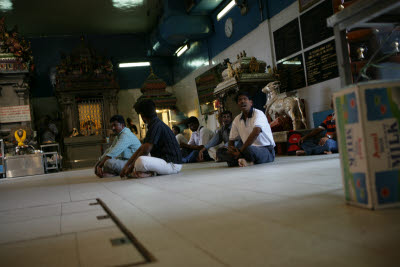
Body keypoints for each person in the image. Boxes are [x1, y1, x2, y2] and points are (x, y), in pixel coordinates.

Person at [120, 100, 182, 178]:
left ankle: (150, 173)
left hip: (172, 164)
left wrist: (129, 168)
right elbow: (141, 148)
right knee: (140, 160)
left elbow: (145, 150)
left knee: (141, 161)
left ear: (142, 116)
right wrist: (127, 166)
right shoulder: (154, 124)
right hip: (166, 162)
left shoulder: (156, 125)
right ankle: (149, 173)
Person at [218, 92, 275, 167]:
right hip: (245, 150)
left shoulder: (259, 114)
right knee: (220, 151)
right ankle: (245, 160)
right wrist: (231, 150)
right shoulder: (237, 119)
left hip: (265, 149)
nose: (242, 101)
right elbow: (231, 140)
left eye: (245, 99)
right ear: (238, 104)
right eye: (240, 100)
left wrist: (240, 151)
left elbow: (256, 131)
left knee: (249, 150)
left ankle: (244, 160)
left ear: (251, 103)